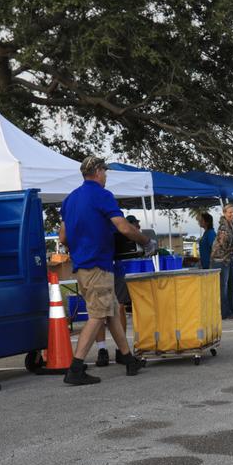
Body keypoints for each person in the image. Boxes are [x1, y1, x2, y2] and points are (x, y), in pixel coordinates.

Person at [58, 156, 150, 385]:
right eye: (105, 172)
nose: (106, 176)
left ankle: (129, 360)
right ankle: (76, 368)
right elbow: (122, 226)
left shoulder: (69, 200)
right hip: (98, 263)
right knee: (98, 315)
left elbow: (63, 237)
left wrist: (80, 248)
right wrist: (146, 241)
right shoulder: (102, 195)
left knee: (109, 313)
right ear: (98, 172)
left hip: (82, 266)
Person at [92, 215, 141, 367]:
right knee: (99, 311)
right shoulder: (97, 222)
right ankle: (103, 350)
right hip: (100, 269)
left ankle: (120, 349)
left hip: (114, 268)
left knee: (117, 308)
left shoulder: (111, 221)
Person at [212, 203, 233, 320]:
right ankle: (225, 313)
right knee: (223, 287)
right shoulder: (223, 228)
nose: (232, 214)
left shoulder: (232, 225)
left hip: (229, 258)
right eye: (230, 212)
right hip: (220, 259)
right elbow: (224, 246)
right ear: (224, 213)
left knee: (231, 285)